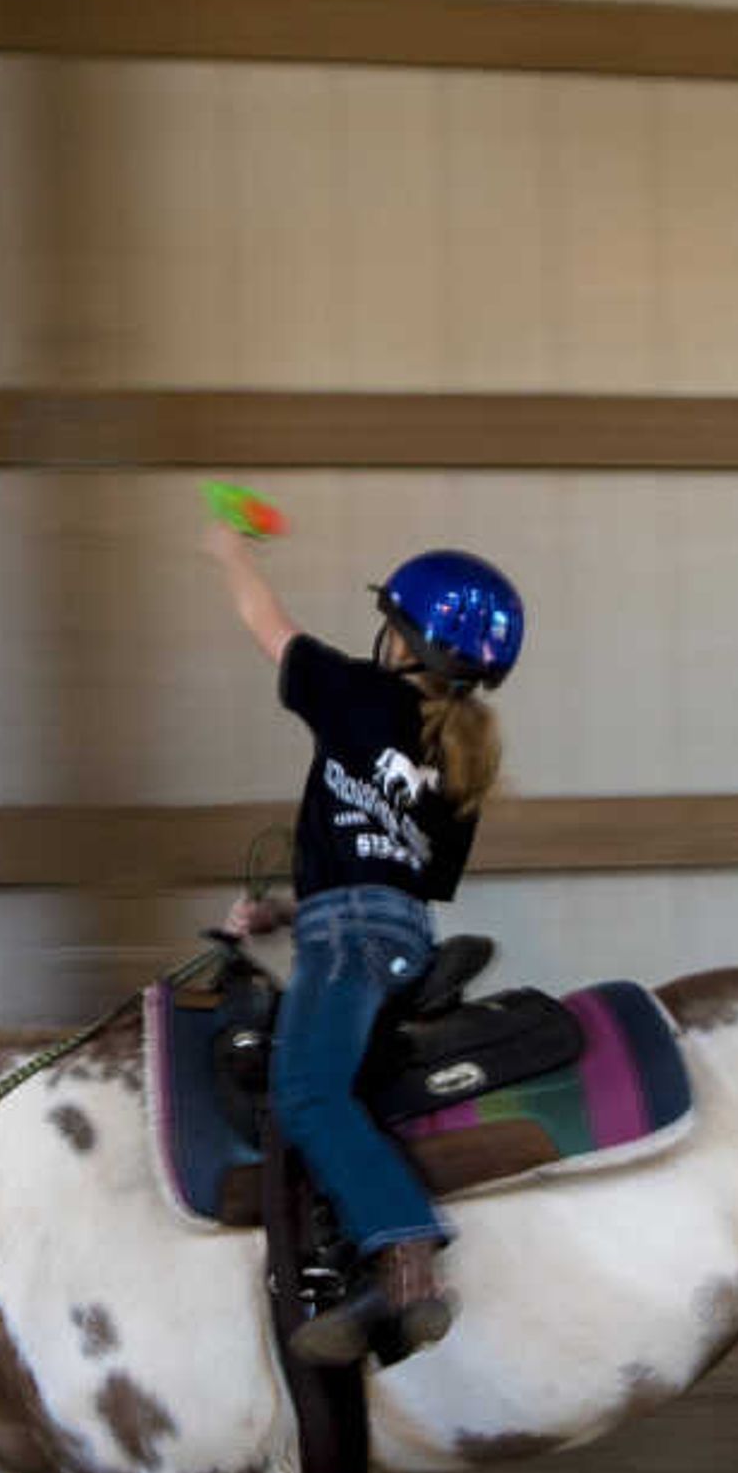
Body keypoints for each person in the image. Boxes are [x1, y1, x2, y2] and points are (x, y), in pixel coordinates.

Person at [197, 510, 524, 1366]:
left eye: (390, 623)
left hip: (347, 939)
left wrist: (231, 551)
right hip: (394, 931)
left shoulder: (359, 694)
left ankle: (406, 1262)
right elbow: (396, 877)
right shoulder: (463, 757)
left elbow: (268, 627)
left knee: (304, 1091)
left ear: (408, 643)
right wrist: (280, 916)